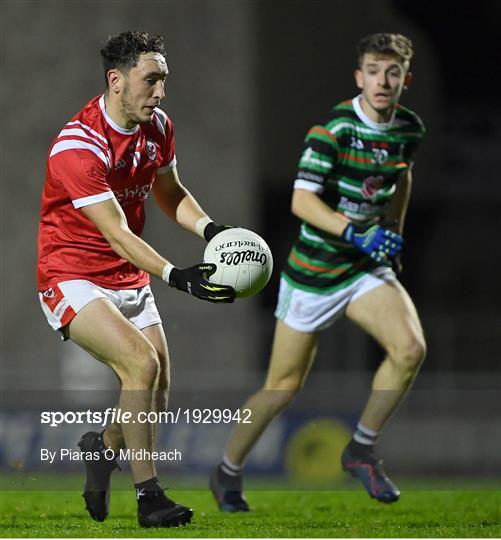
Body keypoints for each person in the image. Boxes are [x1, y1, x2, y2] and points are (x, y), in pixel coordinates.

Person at [210, 32, 426, 511]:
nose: (382, 80)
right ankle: (227, 471)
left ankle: (362, 450)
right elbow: (301, 201)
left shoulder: (409, 129)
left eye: (392, 72)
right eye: (373, 70)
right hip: (313, 272)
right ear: (359, 77)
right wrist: (355, 231)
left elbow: (401, 175)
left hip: (364, 268)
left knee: (409, 349)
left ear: (405, 79)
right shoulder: (333, 130)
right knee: (281, 388)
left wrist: (392, 229)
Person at [37, 31, 236, 528]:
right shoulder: (78, 145)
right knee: (140, 364)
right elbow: (118, 233)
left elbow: (169, 191)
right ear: (116, 81)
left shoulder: (157, 126)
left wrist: (210, 229)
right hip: (71, 274)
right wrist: (176, 275)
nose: (161, 92)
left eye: (164, 80)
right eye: (152, 80)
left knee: (159, 384)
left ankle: (102, 450)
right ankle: (150, 498)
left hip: (126, 275)